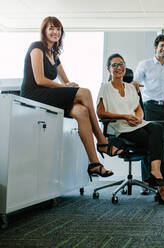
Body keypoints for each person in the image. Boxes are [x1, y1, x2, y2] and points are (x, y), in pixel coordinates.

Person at [20, 16, 121, 180]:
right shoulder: (37, 48)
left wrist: (69, 84)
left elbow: (65, 81)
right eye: (51, 28)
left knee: (81, 111)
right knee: (85, 92)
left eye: (58, 29)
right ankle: (102, 142)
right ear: (44, 31)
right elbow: (39, 80)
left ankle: (94, 163)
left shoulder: (54, 55)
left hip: (48, 95)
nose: (55, 32)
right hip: (34, 94)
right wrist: (67, 87)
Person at [96, 53, 164, 206]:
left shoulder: (131, 87)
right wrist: (124, 117)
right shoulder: (105, 88)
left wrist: (139, 118)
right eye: (114, 65)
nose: (119, 68)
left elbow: (139, 108)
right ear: (108, 69)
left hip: (136, 124)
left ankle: (155, 171)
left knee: (158, 128)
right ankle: (159, 182)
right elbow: (100, 112)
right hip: (120, 127)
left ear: (125, 66)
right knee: (157, 139)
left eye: (121, 64)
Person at [133, 34, 164, 187]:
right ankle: (147, 182)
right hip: (149, 108)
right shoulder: (144, 65)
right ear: (155, 47)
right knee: (148, 144)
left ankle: (159, 179)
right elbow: (135, 84)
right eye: (162, 46)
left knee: (163, 145)